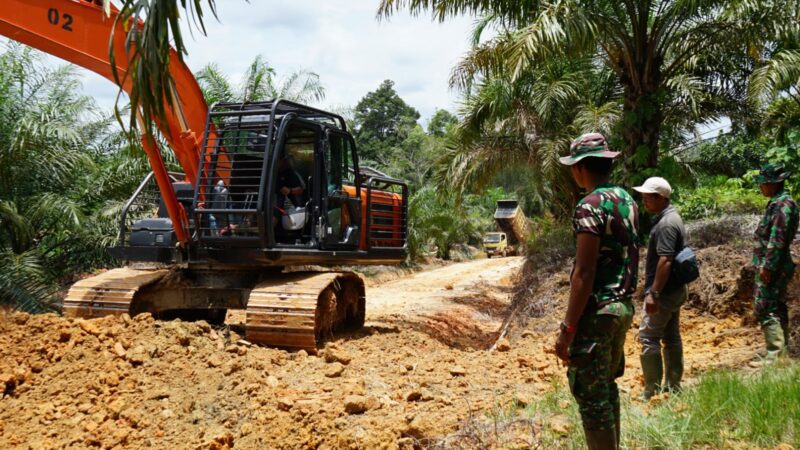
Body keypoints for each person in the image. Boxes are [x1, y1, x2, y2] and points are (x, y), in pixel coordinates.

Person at [554, 133, 639, 450]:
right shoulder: (626, 200)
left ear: (579, 169)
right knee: (605, 387)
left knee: (590, 396)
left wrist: (568, 328)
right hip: (622, 307)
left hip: (599, 311)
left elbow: (584, 273)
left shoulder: (589, 206)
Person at [632, 177, 687, 399]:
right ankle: (673, 387)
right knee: (671, 337)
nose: (644, 201)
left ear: (660, 197)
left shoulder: (665, 224)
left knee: (648, 337)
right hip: (675, 290)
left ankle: (651, 390)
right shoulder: (672, 217)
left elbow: (665, 260)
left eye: (647, 197)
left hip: (664, 293)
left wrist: (653, 293)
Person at [752, 163, 798, 360]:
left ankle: (775, 355)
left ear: (774, 183)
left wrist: (768, 266)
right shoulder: (778, 203)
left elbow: (777, 239)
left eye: (764, 183)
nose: (761, 187)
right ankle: (779, 352)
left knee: (765, 305)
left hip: (775, 265)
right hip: (774, 263)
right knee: (776, 305)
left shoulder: (782, 205)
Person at [272, 156, 305, 228]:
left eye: (278, 160)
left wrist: (289, 190)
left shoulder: (292, 174)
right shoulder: (271, 173)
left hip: (291, 207)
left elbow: (300, 190)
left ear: (283, 161)